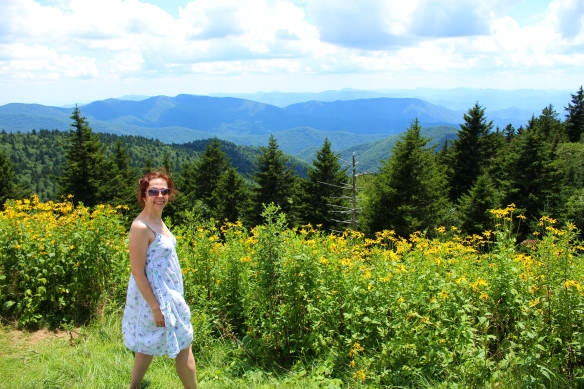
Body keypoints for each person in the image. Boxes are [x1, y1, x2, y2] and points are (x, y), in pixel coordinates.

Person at [122, 170, 197, 389]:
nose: (160, 195)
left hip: (166, 293)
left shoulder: (157, 221)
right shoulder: (140, 227)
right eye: (153, 191)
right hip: (155, 297)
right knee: (184, 342)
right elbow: (137, 272)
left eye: (164, 191)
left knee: (146, 343)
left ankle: (133, 386)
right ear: (143, 195)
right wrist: (155, 307)